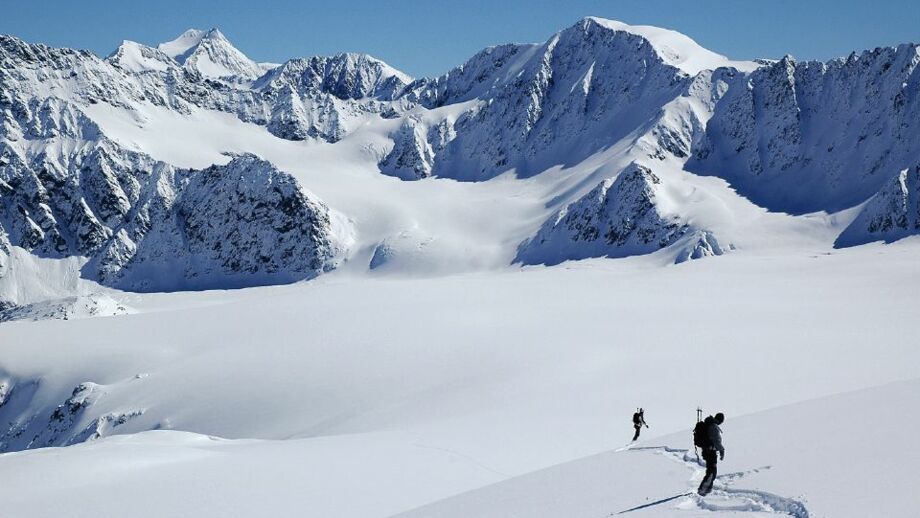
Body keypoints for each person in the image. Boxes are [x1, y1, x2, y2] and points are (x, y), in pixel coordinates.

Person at [697, 412, 725, 496]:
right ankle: (703, 490)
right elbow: (716, 441)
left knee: (711, 471)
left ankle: (707, 489)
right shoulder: (713, 426)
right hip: (710, 451)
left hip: (707, 451)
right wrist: (722, 450)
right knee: (712, 472)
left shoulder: (709, 424)